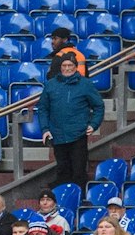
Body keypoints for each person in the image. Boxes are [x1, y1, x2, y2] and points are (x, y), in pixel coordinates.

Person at [35, 50, 103, 190]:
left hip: (78, 135)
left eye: (70, 65)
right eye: (64, 65)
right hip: (58, 135)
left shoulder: (85, 84)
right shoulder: (51, 85)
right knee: (62, 171)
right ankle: (63, 199)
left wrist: (94, 124)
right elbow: (43, 108)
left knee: (79, 172)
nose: (67, 68)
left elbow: (98, 106)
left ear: (75, 67)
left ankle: (79, 199)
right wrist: (45, 129)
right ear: (60, 67)